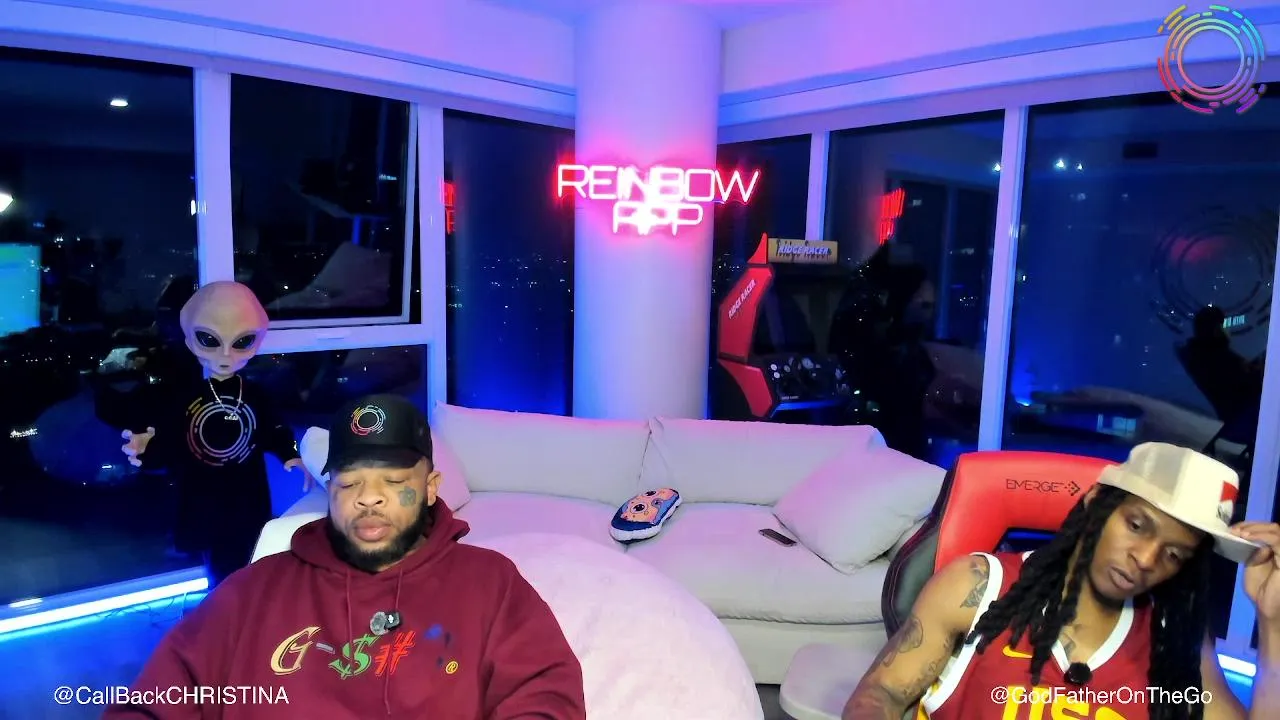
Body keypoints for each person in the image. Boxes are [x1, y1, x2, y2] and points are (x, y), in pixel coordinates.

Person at [104, 393, 586, 719]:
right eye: (350, 482)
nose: (368, 498)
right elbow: (151, 704)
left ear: (431, 488)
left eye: (393, 481)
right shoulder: (253, 593)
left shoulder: (488, 583)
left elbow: (544, 698)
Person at [841, 441, 1280, 720]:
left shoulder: (1174, 638)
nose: (1146, 559)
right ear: (1095, 502)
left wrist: (1273, 623)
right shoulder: (977, 588)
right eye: (1136, 525)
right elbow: (881, 693)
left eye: (1173, 554)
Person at [119, 280, 311, 587]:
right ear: (190, 340)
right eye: (209, 339)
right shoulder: (185, 396)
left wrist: (290, 454)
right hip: (202, 493)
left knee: (245, 557)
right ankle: (222, 606)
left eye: (242, 341)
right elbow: (169, 438)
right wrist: (148, 448)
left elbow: (274, 428)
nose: (225, 354)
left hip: (246, 495)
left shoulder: (254, 394)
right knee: (218, 564)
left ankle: (237, 605)